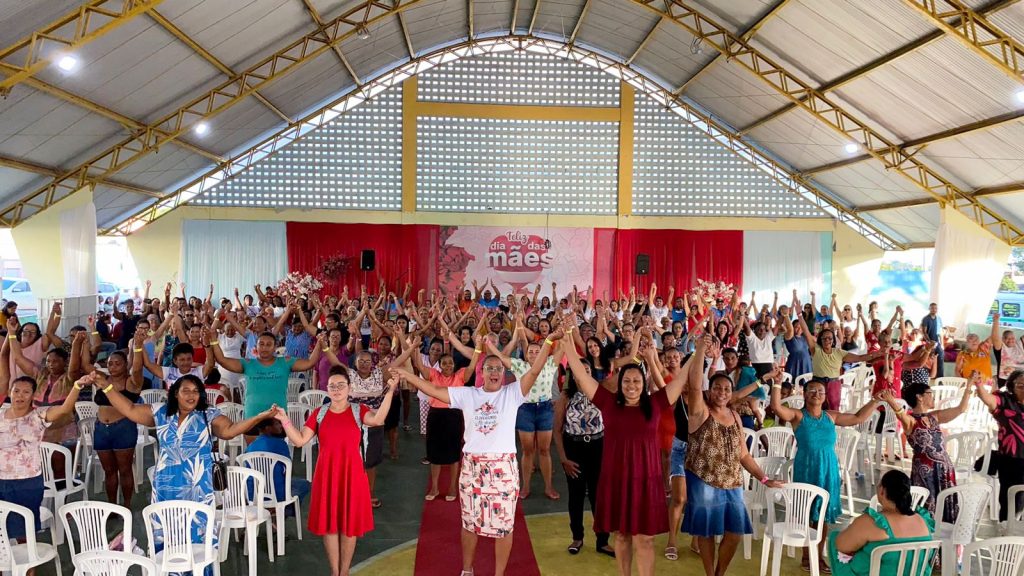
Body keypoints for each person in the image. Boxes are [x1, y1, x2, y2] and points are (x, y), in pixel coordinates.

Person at [393, 332, 549, 576]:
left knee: (505, 527)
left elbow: (535, 370)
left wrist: (550, 341)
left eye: (499, 368)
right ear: (482, 372)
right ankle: (467, 570)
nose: (495, 372)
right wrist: (406, 374)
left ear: (503, 373)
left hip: (503, 471)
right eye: (489, 368)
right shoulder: (468, 394)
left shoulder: (512, 393)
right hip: (473, 469)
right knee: (469, 523)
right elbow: (434, 390)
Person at [103, 373, 274, 558]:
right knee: (166, 532)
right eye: (186, 390)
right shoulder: (160, 412)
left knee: (198, 535)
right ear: (175, 393)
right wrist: (105, 385)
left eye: (196, 391)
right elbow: (128, 408)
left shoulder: (208, 415)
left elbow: (230, 430)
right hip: (165, 487)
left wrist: (258, 418)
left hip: (197, 487)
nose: (191, 395)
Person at [561, 328, 685, 576]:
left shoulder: (657, 403)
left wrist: (695, 350)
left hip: (646, 481)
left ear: (643, 383)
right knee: (621, 536)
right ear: (619, 383)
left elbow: (681, 380)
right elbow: (580, 375)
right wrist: (566, 339)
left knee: (645, 540)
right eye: (626, 380)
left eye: (636, 381)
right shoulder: (607, 402)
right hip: (615, 479)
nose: (631, 385)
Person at [272, 366, 394, 576]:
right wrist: (284, 419)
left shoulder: (359, 410)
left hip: (352, 474)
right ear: (326, 388)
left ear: (349, 388)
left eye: (341, 385)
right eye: (332, 386)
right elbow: (300, 440)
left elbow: (378, 420)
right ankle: (334, 572)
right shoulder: (319, 413)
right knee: (330, 525)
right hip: (327, 474)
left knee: (348, 526)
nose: (336, 389)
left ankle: (344, 571)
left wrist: (390, 391)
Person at [682, 333, 783, 576]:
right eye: (717, 387)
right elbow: (695, 385)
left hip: (732, 480)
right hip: (702, 478)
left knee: (735, 531)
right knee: (706, 531)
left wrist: (765, 478)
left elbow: (744, 455)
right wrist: (700, 352)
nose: (722, 392)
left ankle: (719, 573)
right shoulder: (700, 412)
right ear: (710, 391)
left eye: (727, 388)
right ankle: (710, 573)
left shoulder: (736, 416)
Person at [771, 376, 887, 572]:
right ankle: (806, 555)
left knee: (822, 515)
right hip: (807, 468)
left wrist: (875, 400)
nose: (817, 394)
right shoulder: (798, 416)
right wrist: (776, 383)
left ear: (825, 396)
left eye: (821, 392)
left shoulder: (830, 416)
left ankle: (817, 554)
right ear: (805, 394)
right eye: (812, 391)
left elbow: (858, 417)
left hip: (828, 469)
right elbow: (776, 407)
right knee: (806, 512)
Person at [0, 371, 83, 544]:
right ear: (10, 392)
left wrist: (76, 386)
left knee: (25, 532)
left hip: (27, 483)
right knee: (2, 534)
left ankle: (29, 570)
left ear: (33, 396)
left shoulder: (38, 416)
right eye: (16, 391)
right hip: (1, 480)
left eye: (26, 392)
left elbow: (65, 409)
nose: (20, 395)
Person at [883, 377, 974, 520]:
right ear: (919, 397)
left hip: (944, 468)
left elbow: (961, 409)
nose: (932, 396)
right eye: (929, 393)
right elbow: (901, 414)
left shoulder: (934, 416)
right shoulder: (912, 421)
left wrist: (969, 385)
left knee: (947, 505)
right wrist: (891, 401)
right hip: (925, 470)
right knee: (927, 506)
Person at [552, 353, 613, 557]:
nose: (583, 374)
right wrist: (563, 458)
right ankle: (577, 537)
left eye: (587, 371)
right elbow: (557, 430)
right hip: (574, 448)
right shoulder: (565, 397)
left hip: (598, 446)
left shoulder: (601, 391)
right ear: (572, 374)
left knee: (599, 495)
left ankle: (603, 540)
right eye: (579, 371)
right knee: (576, 495)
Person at [411, 336, 480, 501]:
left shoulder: (461, 376)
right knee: (434, 452)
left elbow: (473, 364)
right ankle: (434, 487)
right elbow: (419, 365)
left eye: (450, 363)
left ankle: (452, 487)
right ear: (439, 366)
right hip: (435, 416)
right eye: (444, 363)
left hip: (454, 416)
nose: (448, 366)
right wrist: (414, 348)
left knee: (453, 453)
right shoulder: (433, 375)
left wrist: (478, 347)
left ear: (454, 365)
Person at [827, 470, 934, 576]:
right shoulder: (923, 520)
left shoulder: (872, 522)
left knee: (834, 539)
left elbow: (841, 546)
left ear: (882, 491)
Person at [208, 329, 323, 421]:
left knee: (276, 450)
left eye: (269, 344)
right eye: (261, 344)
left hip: (277, 416)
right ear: (256, 346)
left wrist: (319, 342)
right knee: (253, 450)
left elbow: (309, 363)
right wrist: (213, 339)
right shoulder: (248, 363)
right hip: (252, 415)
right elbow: (222, 360)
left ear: (275, 347)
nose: (264, 347)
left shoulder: (285, 362)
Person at [797, 304, 881, 410]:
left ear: (833, 340)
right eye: (824, 338)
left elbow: (860, 358)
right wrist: (800, 315)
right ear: (820, 340)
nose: (827, 340)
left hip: (834, 384)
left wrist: (879, 354)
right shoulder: (815, 349)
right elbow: (806, 331)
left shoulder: (839, 352)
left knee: (833, 410)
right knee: (814, 408)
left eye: (830, 338)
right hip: (818, 383)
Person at [974, 369, 1024, 523]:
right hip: (1012, 460)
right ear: (1012, 387)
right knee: (1010, 500)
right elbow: (988, 399)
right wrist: (978, 384)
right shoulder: (1005, 401)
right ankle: (1005, 533)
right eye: (1021, 385)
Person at [93, 351, 143, 505]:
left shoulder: (131, 382)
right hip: (101, 428)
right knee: (109, 472)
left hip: (123, 428)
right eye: (110, 364)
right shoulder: (103, 380)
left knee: (125, 470)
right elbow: (82, 366)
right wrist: (82, 343)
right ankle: (113, 505)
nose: (113, 367)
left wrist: (138, 348)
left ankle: (126, 505)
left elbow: (137, 369)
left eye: (117, 363)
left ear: (125, 365)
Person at [244, 418, 311, 510]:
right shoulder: (281, 444)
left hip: (253, 494)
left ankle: (274, 511)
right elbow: (288, 469)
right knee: (304, 484)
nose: (281, 426)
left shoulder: (250, 447)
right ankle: (282, 512)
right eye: (277, 424)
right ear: (268, 428)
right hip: (278, 495)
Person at [992, 313, 1024, 389]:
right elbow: (995, 338)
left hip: (1021, 379)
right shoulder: (1001, 348)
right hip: (1005, 380)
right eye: (1007, 338)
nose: (1010, 340)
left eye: (1012, 338)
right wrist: (996, 321)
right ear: (1002, 339)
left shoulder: (1019, 345)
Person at [920, 303, 943, 377]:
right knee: (927, 359)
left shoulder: (939, 319)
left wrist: (942, 344)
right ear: (929, 309)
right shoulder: (926, 319)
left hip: (937, 343)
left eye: (935, 308)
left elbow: (940, 332)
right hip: (928, 343)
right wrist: (929, 342)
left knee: (940, 358)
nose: (934, 309)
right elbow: (924, 332)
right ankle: (928, 376)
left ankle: (940, 377)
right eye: (932, 308)